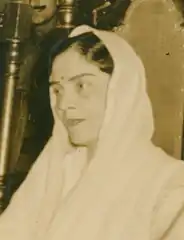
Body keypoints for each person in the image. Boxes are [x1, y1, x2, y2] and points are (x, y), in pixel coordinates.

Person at [0, 25, 183, 240]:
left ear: (121, 89)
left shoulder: (169, 182)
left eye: (82, 86)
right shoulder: (55, 169)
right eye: (57, 90)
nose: (64, 105)